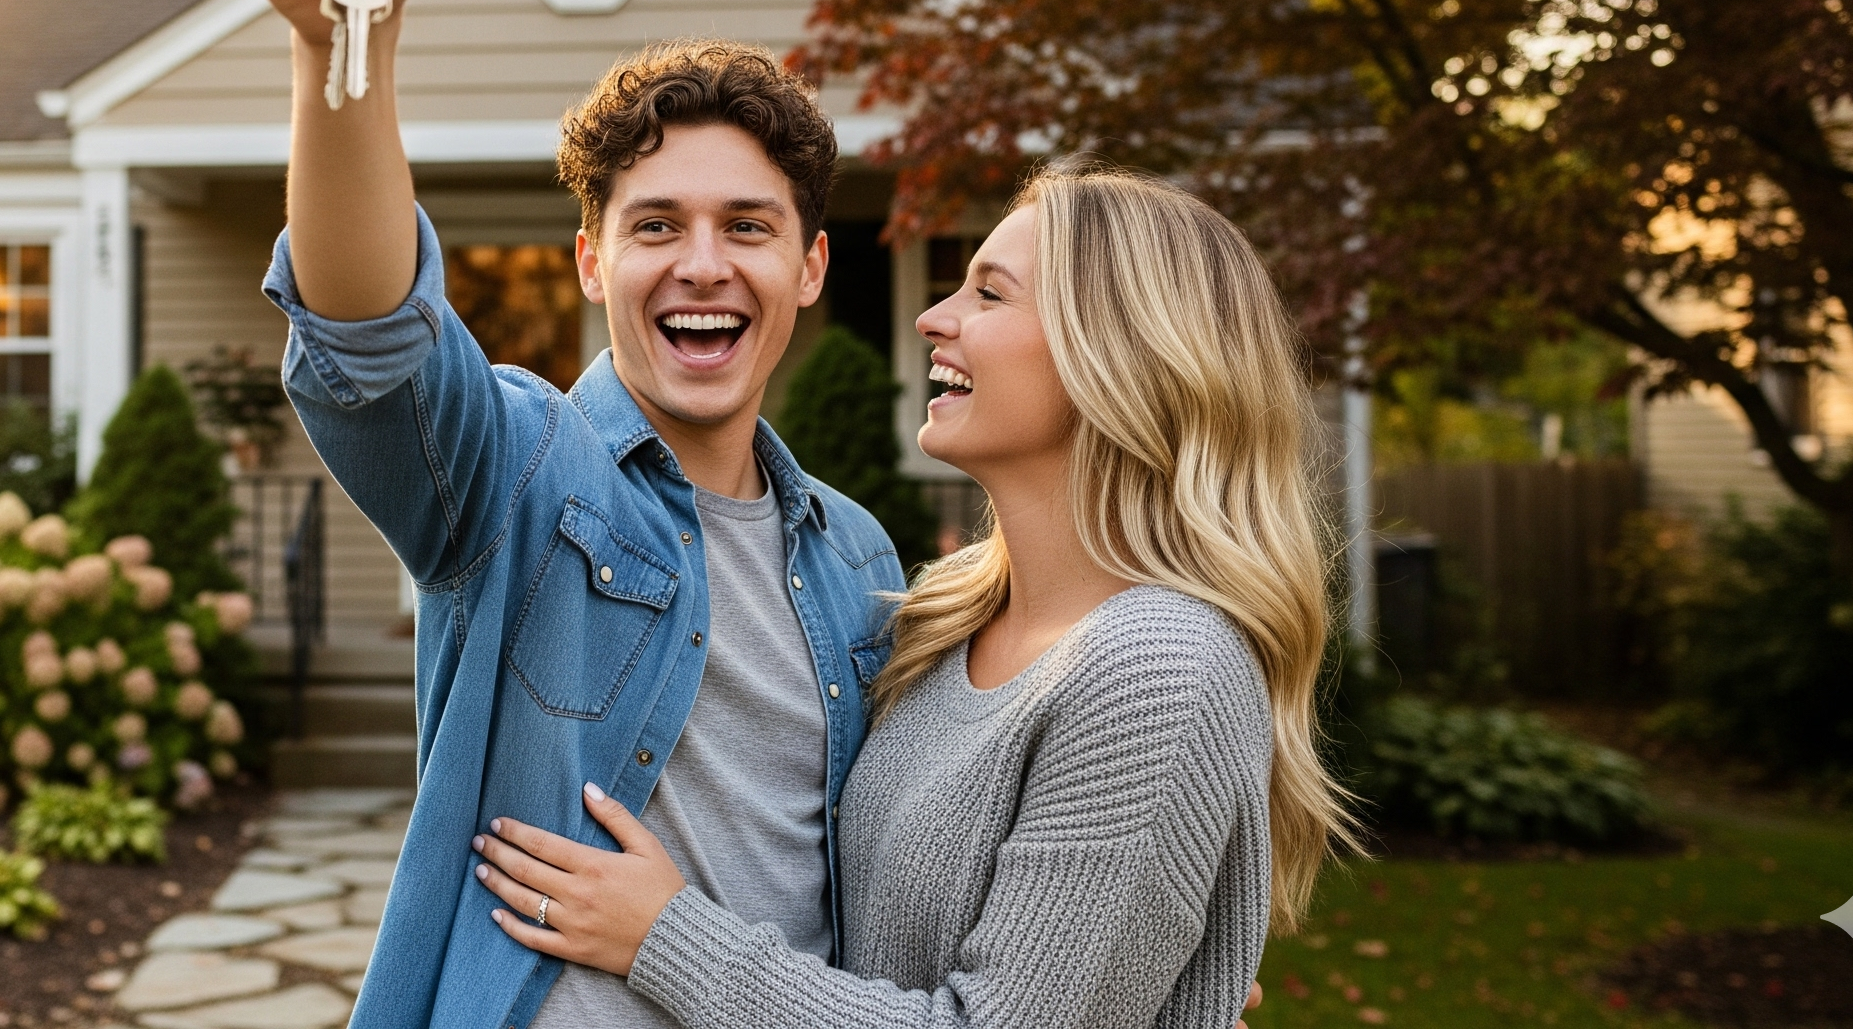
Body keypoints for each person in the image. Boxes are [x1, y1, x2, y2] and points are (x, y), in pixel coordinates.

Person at [237, 0, 902, 1029]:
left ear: (807, 269)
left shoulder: (857, 559)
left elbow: (900, 870)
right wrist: (337, 48)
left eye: (747, 228)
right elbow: (367, 336)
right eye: (656, 227)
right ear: (594, 260)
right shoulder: (516, 473)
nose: (701, 264)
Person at [470, 159, 1354, 1028]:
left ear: (1121, 353)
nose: (935, 317)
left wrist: (665, 938)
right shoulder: (939, 617)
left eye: (989, 294)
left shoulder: (1160, 669)